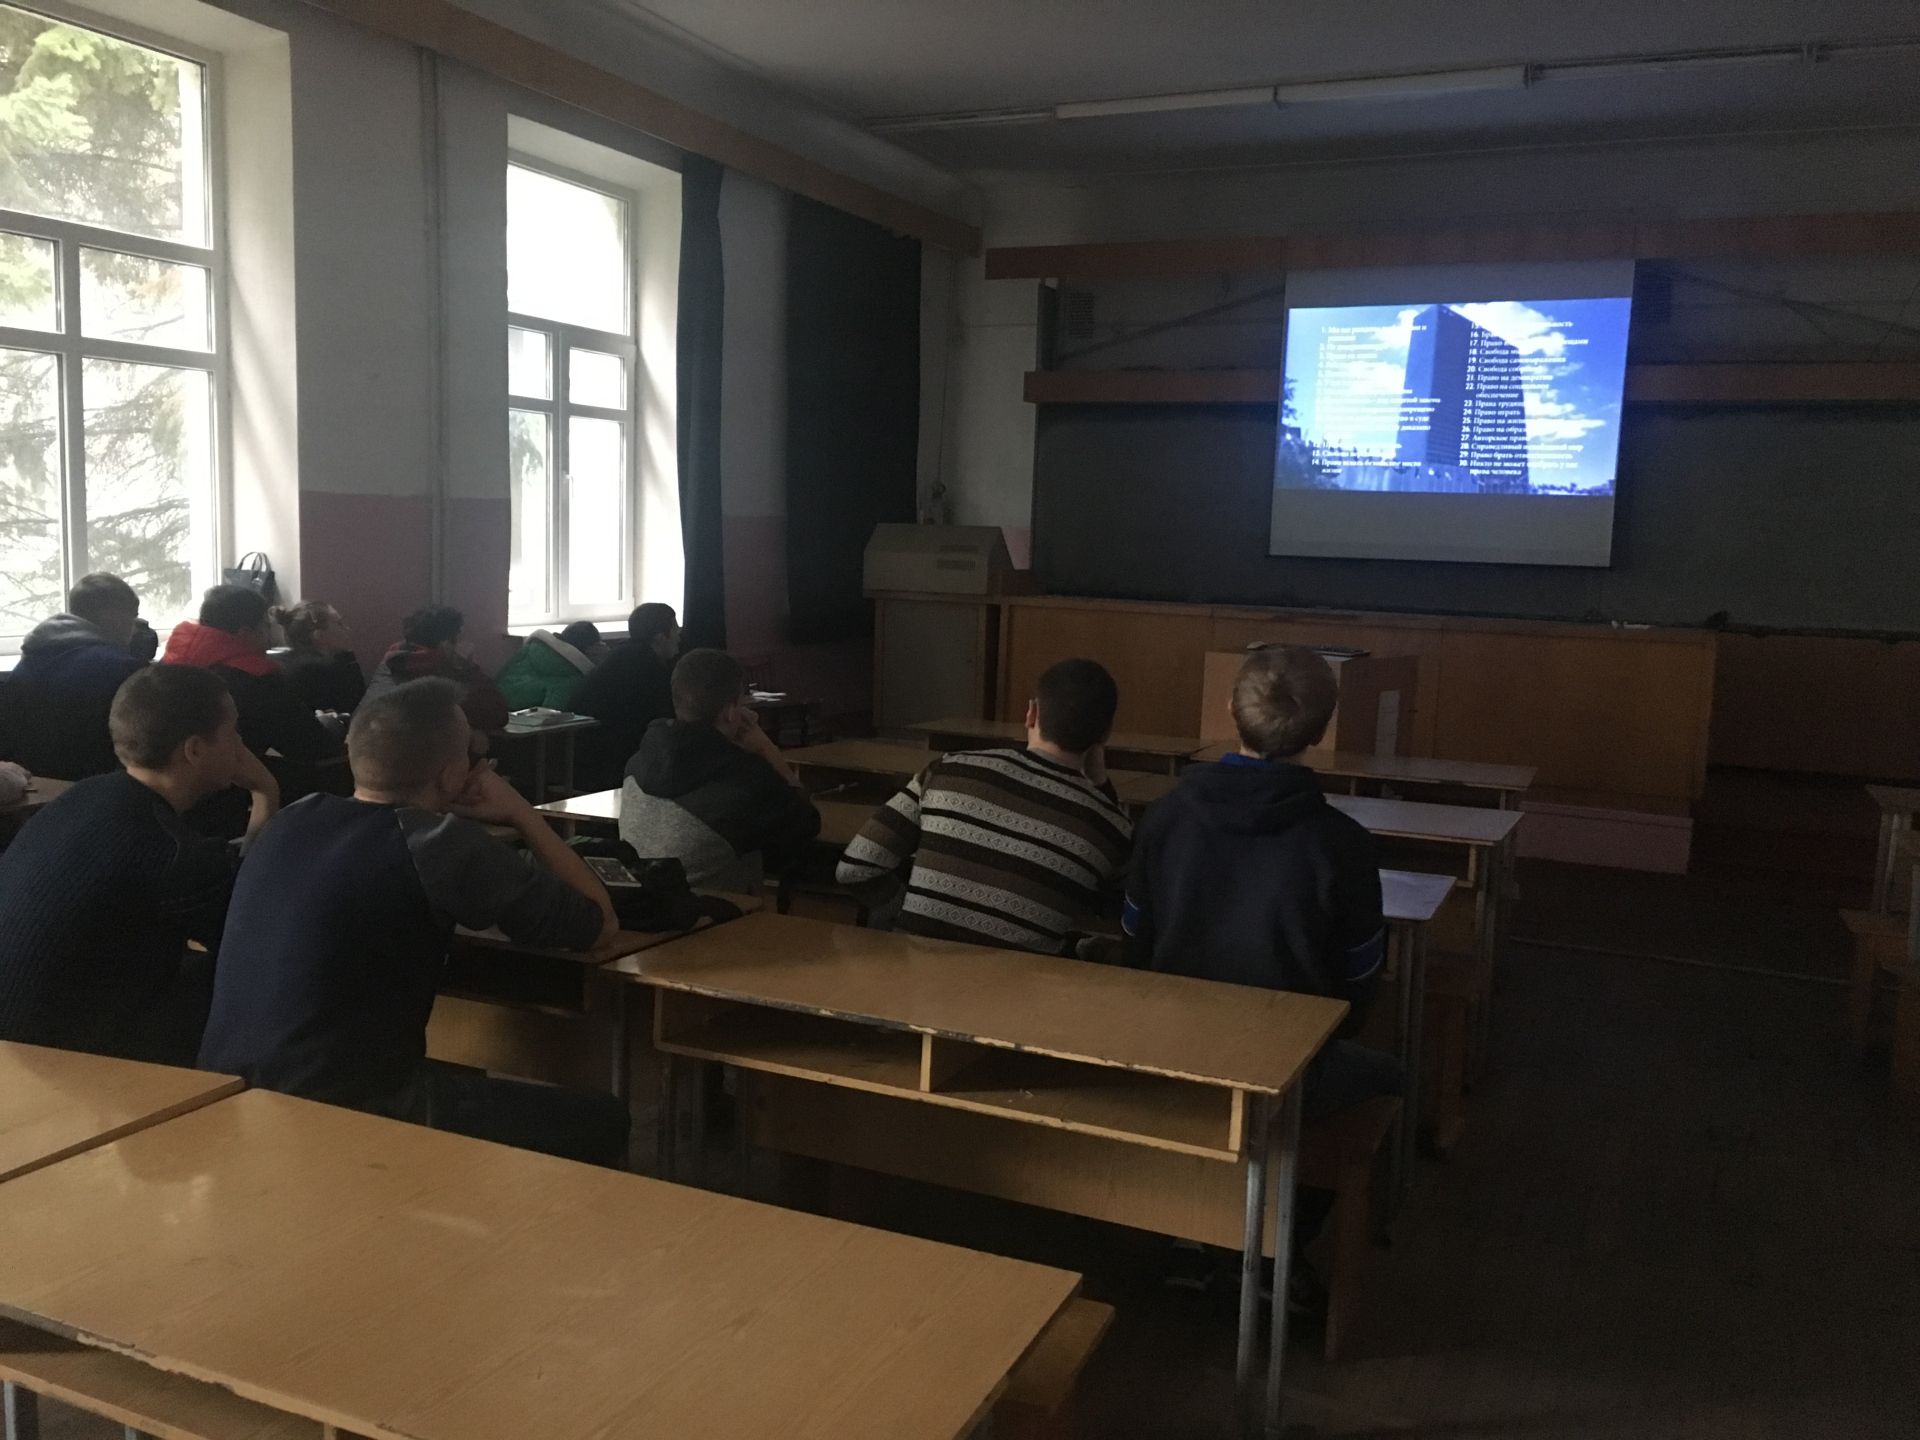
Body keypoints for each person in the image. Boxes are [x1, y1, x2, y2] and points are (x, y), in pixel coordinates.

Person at [198, 678, 629, 1166]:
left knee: (461, 1079)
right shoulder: (438, 843)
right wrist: (521, 813)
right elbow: (598, 924)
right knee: (603, 1120)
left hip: (231, 1089)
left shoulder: (288, 820)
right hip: (347, 1108)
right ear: (451, 774)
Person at [1122, 645, 1398, 1116]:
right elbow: (1360, 976)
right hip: (1288, 1065)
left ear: (1232, 710)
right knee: (1396, 1076)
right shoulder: (1342, 842)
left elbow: (1134, 936)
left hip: (1169, 1047)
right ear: (1322, 729)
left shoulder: (1165, 817)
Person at [0, 665, 278, 1063]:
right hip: (68, 1063)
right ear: (195, 750)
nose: (241, 744)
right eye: (233, 731)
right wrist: (266, 794)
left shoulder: (81, 796)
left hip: (16, 1037)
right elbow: (252, 927)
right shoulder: (168, 850)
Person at [836, 658, 1133, 954]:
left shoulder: (949, 770)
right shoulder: (1109, 825)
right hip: (1020, 982)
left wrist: (907, 918)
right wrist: (1101, 786)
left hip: (917, 975)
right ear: (1105, 734)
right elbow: (1120, 908)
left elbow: (854, 869)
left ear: (1031, 713)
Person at [619, 648, 819, 891]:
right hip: (718, 908)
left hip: (641, 902)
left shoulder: (637, 763)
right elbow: (807, 825)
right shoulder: (747, 778)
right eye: (743, 702)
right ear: (731, 713)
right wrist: (767, 750)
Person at [164, 584, 347, 783]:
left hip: (173, 784)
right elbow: (313, 746)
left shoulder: (168, 667)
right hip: (228, 787)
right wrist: (332, 724)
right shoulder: (257, 681)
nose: (270, 639)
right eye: (266, 627)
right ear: (246, 633)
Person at [0, 573, 147, 779]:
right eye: (132, 616)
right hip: (91, 785)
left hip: (27, 784)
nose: (135, 627)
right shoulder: (124, 669)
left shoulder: (33, 657)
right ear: (113, 617)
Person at [572, 603, 679, 791]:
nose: (680, 636)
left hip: (584, 758)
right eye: (675, 629)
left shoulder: (620, 657)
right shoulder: (648, 668)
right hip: (610, 764)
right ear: (660, 637)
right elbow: (663, 719)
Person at [361, 605, 510, 733]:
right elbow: (497, 714)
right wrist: (467, 667)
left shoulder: (394, 660)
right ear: (446, 643)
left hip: (367, 750)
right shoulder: (437, 675)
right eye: (460, 637)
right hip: (417, 753)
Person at [274, 601, 367, 715]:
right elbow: (359, 714)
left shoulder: (284, 664)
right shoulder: (323, 673)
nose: (347, 629)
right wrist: (349, 663)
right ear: (319, 635)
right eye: (339, 624)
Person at [495, 621, 601, 711]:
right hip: (522, 724)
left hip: (495, 710)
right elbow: (554, 718)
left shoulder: (530, 649)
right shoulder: (571, 675)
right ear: (591, 649)